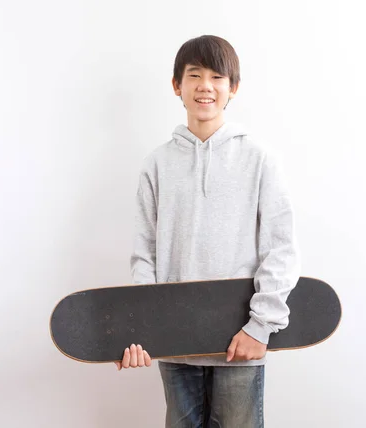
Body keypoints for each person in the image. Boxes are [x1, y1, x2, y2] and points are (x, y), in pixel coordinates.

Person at [116, 35, 301, 427]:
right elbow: (144, 251)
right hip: (174, 344)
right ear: (176, 86)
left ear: (233, 88)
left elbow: (281, 248)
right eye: (194, 75)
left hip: (241, 342)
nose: (205, 85)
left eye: (217, 77)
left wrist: (261, 326)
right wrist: (145, 326)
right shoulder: (157, 164)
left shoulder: (259, 160)